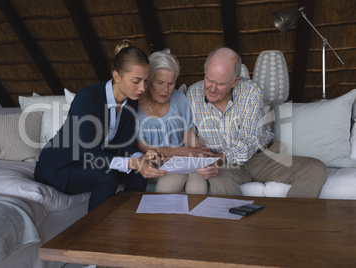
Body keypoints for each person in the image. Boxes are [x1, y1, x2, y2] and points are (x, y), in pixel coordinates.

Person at [34, 40, 167, 212]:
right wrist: (132, 163)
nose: (142, 88)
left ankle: (132, 221)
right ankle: (94, 231)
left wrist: (140, 157)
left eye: (145, 81)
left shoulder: (131, 102)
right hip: (60, 166)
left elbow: (127, 142)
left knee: (139, 173)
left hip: (93, 162)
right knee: (107, 177)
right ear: (117, 76)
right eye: (136, 81)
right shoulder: (87, 98)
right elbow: (87, 152)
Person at [186, 47, 327, 198]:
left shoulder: (251, 92)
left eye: (220, 83)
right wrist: (204, 159)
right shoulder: (193, 94)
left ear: (235, 81)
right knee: (218, 179)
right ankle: (235, 221)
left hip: (261, 158)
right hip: (224, 166)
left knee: (315, 168)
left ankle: (292, 219)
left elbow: (248, 140)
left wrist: (219, 158)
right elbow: (189, 134)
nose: (212, 89)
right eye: (209, 79)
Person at [137, 51, 214, 194]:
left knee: (198, 174)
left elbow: (188, 135)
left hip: (181, 160)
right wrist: (179, 152)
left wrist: (202, 152)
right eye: (160, 83)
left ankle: (197, 215)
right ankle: (160, 214)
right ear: (148, 80)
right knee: (176, 176)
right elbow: (143, 147)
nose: (166, 90)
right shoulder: (135, 104)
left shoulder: (179, 99)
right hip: (154, 164)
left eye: (171, 83)